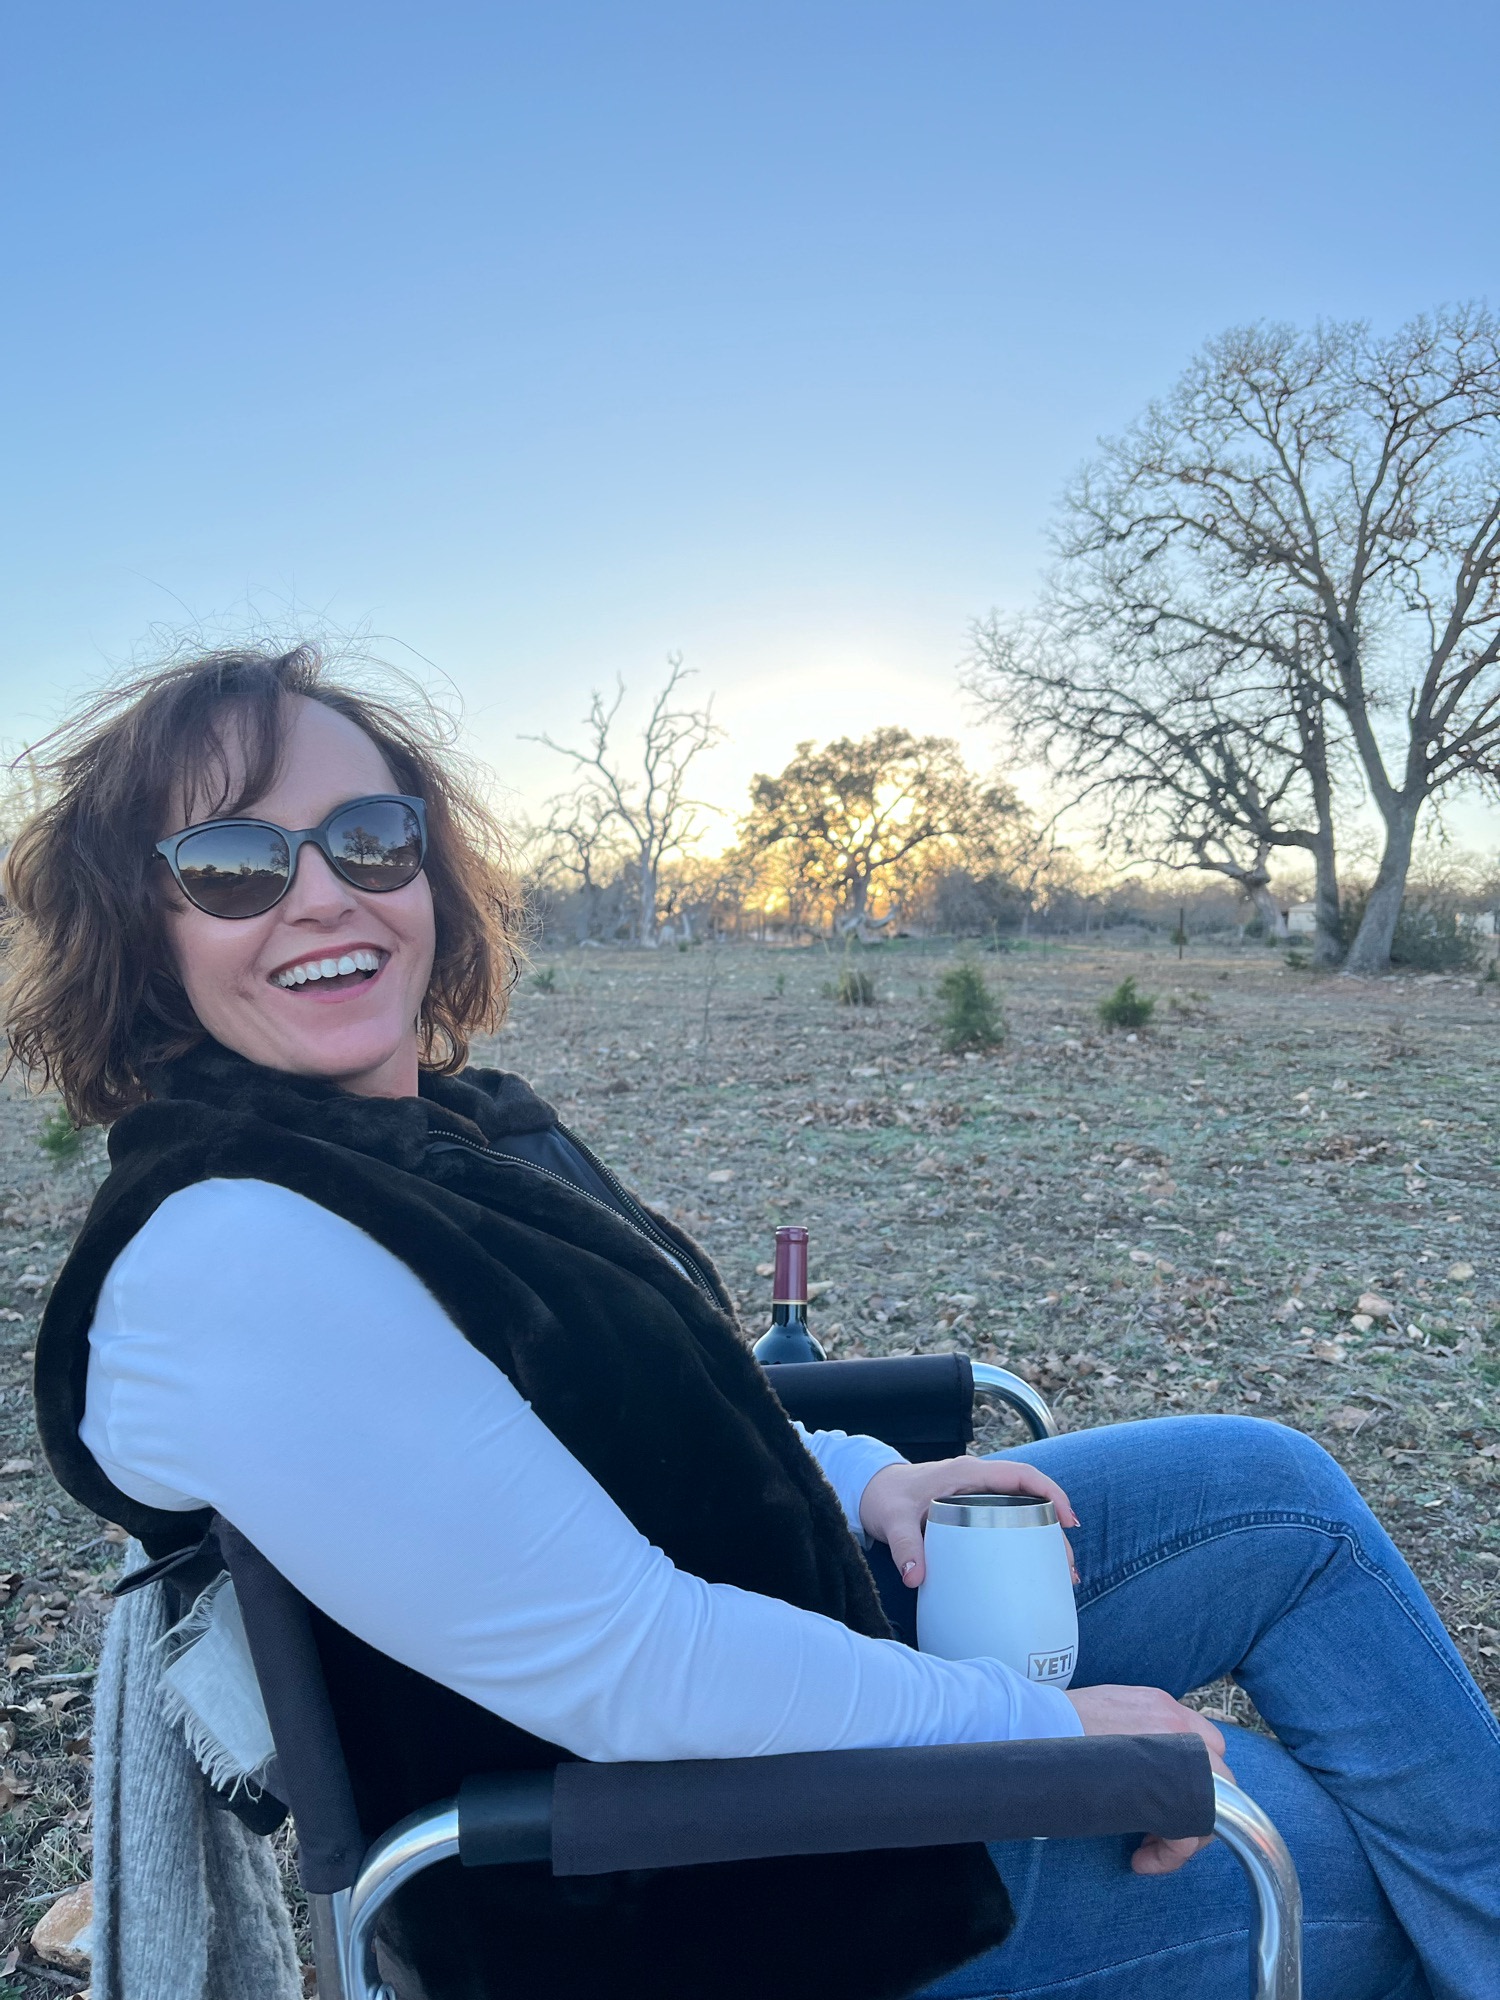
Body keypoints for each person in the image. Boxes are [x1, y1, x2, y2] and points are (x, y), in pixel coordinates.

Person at [6, 646, 1496, 2000]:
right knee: (1343, 1858)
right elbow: (636, 1669)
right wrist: (1048, 1738)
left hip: (782, 1662)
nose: (326, 893)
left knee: (1272, 1495)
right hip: (714, 1887)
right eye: (233, 866)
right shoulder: (237, 1254)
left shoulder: (435, 1139)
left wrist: (864, 1478)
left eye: (369, 838)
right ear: (142, 927)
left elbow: (660, 1414)